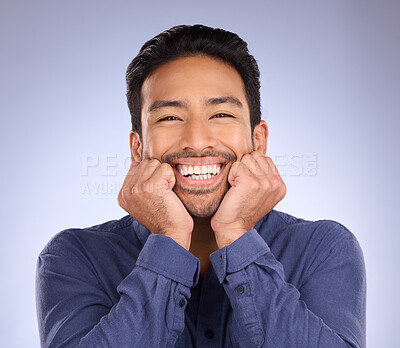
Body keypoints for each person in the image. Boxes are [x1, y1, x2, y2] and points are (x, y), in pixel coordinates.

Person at [36, 24, 366, 348]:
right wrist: (169, 239)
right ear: (138, 149)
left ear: (258, 140)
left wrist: (237, 234)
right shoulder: (75, 256)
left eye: (221, 114)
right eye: (169, 118)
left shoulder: (324, 248)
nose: (196, 141)